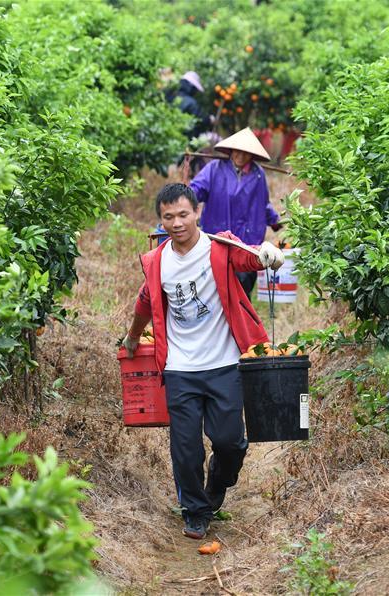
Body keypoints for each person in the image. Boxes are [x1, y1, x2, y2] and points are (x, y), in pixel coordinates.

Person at [121, 183, 284, 539]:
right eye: (168, 217)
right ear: (160, 220)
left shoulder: (219, 248)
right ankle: (195, 511)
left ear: (197, 212)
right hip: (179, 367)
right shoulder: (156, 261)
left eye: (183, 214)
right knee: (184, 447)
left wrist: (267, 253)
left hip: (223, 362)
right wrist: (133, 336)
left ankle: (219, 482)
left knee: (230, 443)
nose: (176, 223)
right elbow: (146, 302)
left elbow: (250, 257)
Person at [189, 127, 281, 296]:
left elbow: (263, 203)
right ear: (231, 151)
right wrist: (185, 196)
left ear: (252, 155)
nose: (240, 156)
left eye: (245, 153)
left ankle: (239, 322)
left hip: (246, 243)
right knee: (213, 290)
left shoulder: (258, 175)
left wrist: (275, 220)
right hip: (217, 238)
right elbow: (196, 189)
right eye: (237, 151)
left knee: (241, 293)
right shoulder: (214, 169)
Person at [165, 71, 212, 138]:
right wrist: (209, 119)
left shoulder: (170, 95)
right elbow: (201, 118)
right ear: (191, 87)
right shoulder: (191, 103)